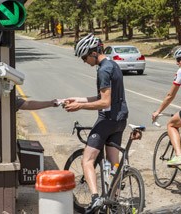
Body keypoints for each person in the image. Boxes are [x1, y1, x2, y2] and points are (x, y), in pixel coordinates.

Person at [64, 33, 128, 213]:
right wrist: (78, 99)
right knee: (113, 160)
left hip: (107, 120)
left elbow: (104, 102)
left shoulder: (102, 70)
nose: (84, 61)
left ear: (93, 53)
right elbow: (104, 96)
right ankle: (114, 201)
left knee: (87, 160)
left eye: (84, 57)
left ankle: (95, 199)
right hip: (120, 119)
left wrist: (79, 107)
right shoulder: (113, 65)